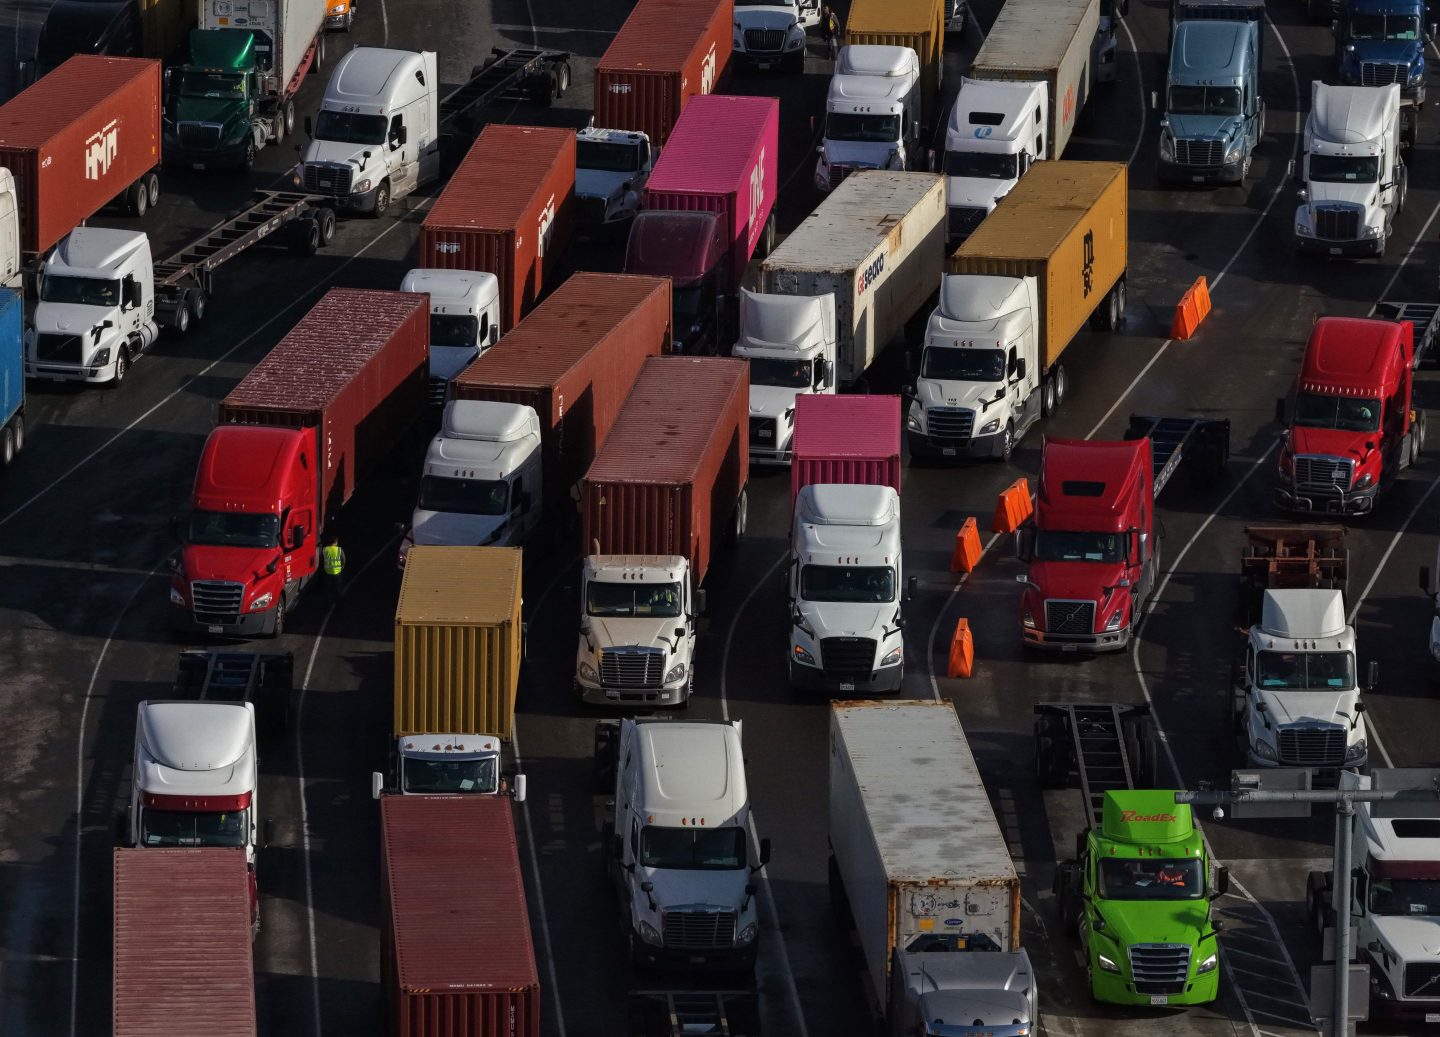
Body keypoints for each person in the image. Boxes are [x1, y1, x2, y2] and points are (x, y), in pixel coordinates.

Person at [322, 533, 346, 604]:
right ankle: (339, 602)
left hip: (327, 572)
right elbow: (344, 560)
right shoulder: (339, 550)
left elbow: (322, 560)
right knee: (338, 588)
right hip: (337, 572)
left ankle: (327, 603)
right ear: (336, 542)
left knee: (327, 589)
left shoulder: (325, 549)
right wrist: (341, 568)